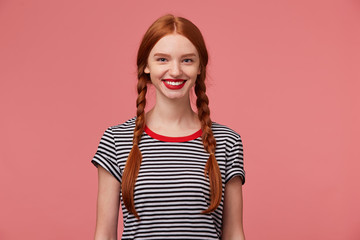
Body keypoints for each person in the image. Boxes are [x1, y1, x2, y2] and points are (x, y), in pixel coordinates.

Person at [91, 14, 246, 240]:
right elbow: (104, 234)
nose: (175, 71)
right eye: (162, 59)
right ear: (146, 66)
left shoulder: (227, 141)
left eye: (187, 60)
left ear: (200, 67)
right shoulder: (116, 140)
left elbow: (233, 234)